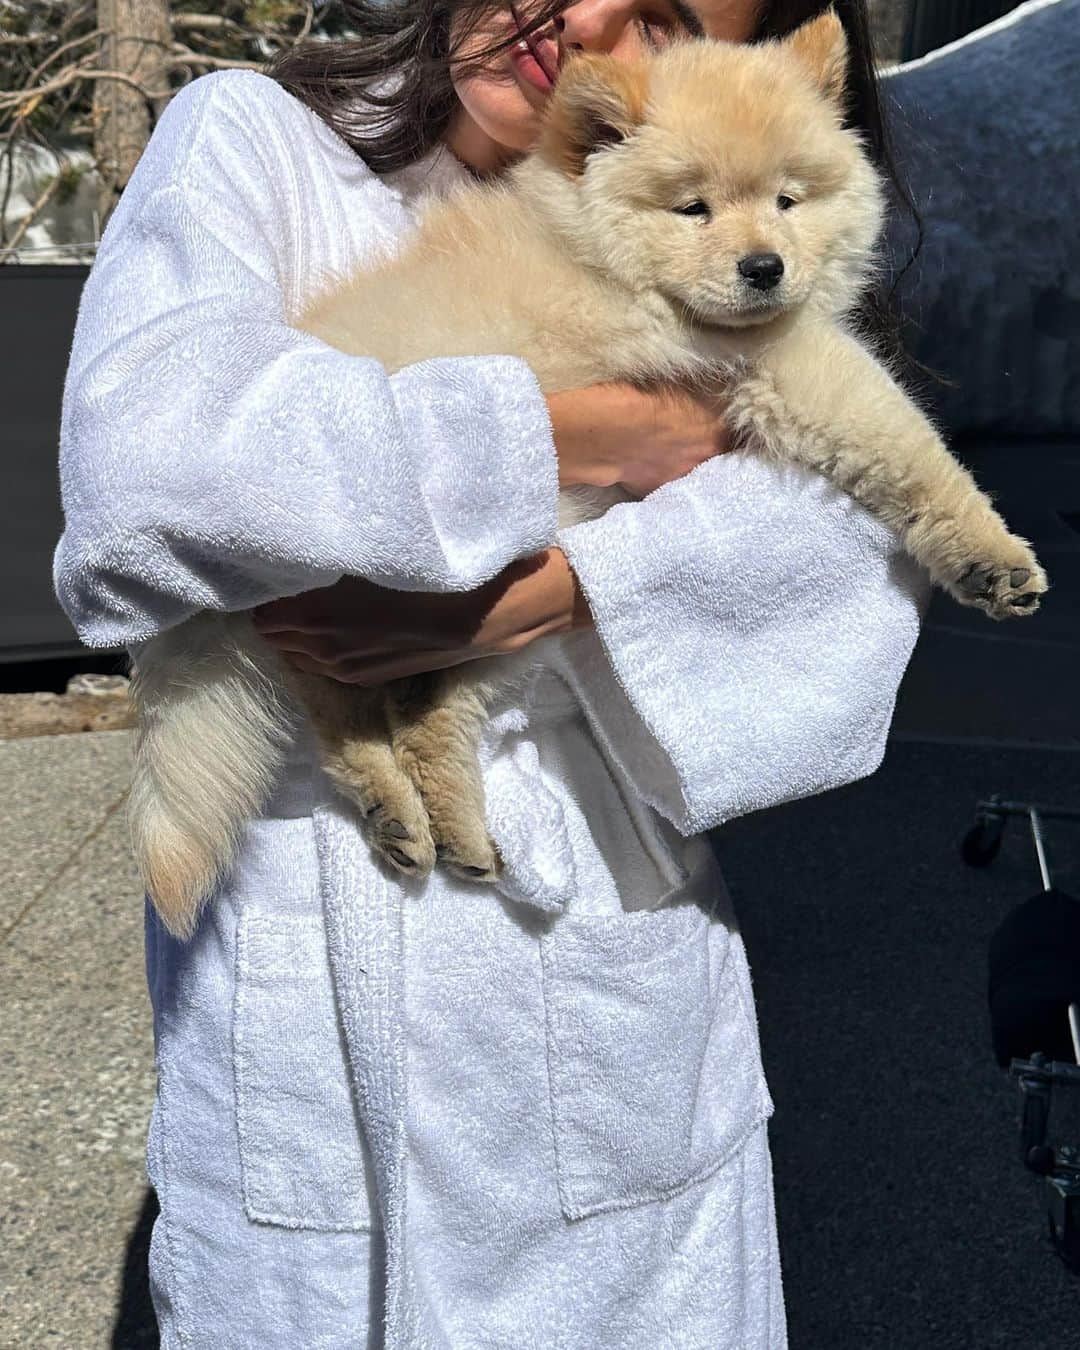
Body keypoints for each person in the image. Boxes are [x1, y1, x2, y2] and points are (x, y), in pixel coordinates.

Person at [53, 1, 926, 1345]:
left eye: (665, 17)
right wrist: (602, 431)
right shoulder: (255, 147)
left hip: (607, 1013)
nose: (580, 20)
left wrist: (557, 593)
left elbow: (850, 570)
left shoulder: (716, 225)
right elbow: (147, 464)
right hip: (315, 1020)